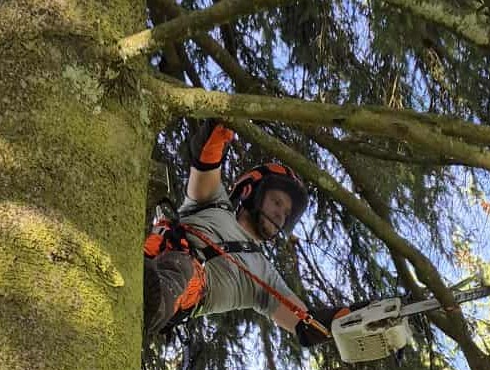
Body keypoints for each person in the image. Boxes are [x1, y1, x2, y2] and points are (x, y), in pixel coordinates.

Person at [143, 121, 345, 345]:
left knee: (183, 266)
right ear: (249, 191)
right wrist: (221, 124)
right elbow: (205, 158)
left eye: (287, 213)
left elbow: (306, 325)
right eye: (277, 202)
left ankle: (148, 302)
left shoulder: (265, 275)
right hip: (146, 249)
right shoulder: (213, 202)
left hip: (182, 291)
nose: (280, 215)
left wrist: (350, 318)